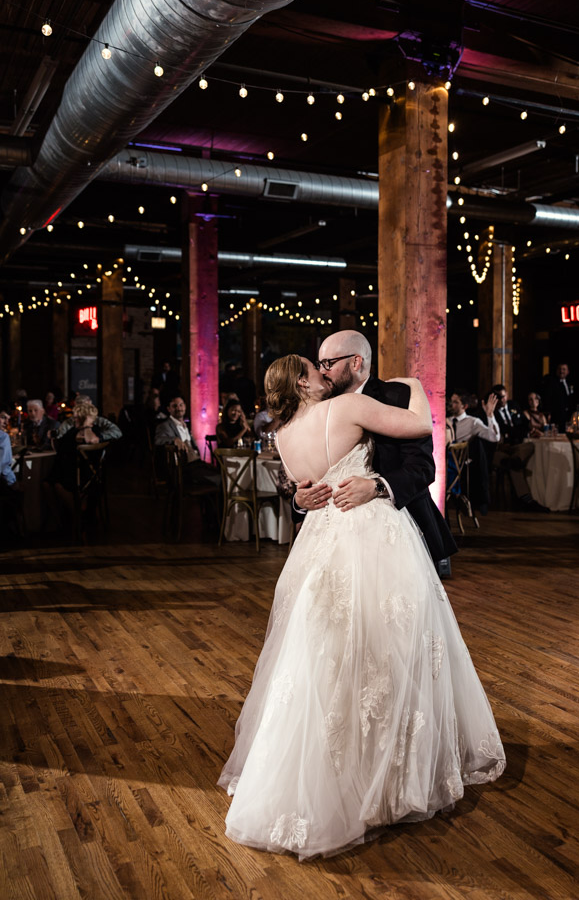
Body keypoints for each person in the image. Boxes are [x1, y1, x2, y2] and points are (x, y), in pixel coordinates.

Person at [218, 354, 505, 859]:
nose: (324, 373)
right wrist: (416, 385)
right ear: (305, 380)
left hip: (319, 543)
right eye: (315, 367)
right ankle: (388, 770)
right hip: (371, 532)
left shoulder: (282, 437)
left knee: (323, 657)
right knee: (391, 647)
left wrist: (303, 499)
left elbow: (305, 492)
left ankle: (334, 770)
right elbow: (419, 424)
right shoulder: (348, 406)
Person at [292, 330, 457, 579]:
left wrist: (376, 487)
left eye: (328, 363)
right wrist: (299, 502)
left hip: (401, 535)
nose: (322, 371)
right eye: (319, 364)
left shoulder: (397, 396)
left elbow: (423, 468)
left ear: (355, 362)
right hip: (335, 545)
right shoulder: (320, 407)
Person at [155, 396, 221, 489]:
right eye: (175, 406)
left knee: (220, 473)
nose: (178, 408)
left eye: (181, 405)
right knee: (218, 480)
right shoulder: (164, 425)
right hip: (182, 469)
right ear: (169, 409)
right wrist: (173, 439)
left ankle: (211, 502)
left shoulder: (185, 425)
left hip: (195, 463)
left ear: (185, 407)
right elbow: (158, 440)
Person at [56, 399, 122, 442]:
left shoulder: (99, 422)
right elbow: (59, 438)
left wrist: (100, 437)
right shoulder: (70, 424)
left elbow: (117, 432)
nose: (73, 419)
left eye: (76, 417)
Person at [543, 363, 574, 429]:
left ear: (568, 371)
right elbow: (548, 399)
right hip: (557, 415)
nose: (561, 371)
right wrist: (549, 413)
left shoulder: (570, 383)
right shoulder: (551, 384)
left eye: (564, 369)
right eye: (559, 369)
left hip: (569, 416)